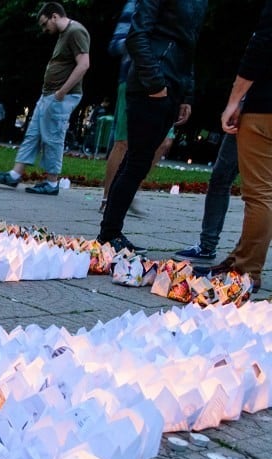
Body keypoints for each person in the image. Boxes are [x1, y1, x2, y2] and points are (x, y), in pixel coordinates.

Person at [96, 0, 207, 252]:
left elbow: (189, 46)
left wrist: (186, 94)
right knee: (136, 160)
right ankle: (109, 233)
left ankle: (111, 231)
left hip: (172, 84)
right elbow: (137, 36)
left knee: (139, 161)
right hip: (152, 84)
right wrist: (154, 81)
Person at [194, 0, 272, 292]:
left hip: (265, 108)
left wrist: (234, 100)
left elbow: (260, 47)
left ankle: (247, 270)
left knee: (259, 194)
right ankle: (241, 257)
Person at [0, 3, 90, 196]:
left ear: (54, 16)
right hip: (48, 95)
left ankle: (51, 183)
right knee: (33, 134)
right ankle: (15, 174)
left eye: (45, 24)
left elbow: (83, 64)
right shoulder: (64, 34)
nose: (44, 29)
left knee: (52, 138)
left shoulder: (76, 31)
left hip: (61, 96)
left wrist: (62, 92)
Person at [175, 134, 240, 262]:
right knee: (221, 179)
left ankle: (209, 245)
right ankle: (208, 245)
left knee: (223, 180)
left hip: (251, 120)